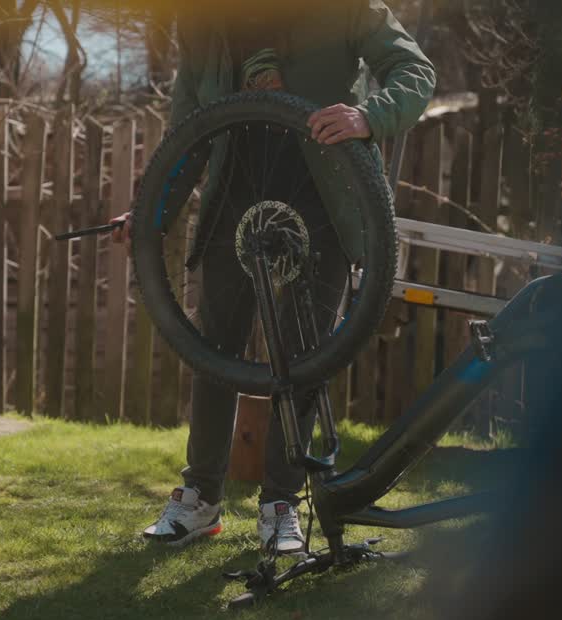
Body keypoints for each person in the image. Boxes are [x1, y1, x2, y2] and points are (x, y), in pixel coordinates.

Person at [114, 1, 435, 553]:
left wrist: (369, 116)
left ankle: (280, 505)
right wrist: (149, 212)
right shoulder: (201, 19)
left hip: (322, 202)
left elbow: (416, 72)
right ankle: (199, 500)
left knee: (301, 359)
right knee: (214, 352)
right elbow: (186, 133)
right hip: (231, 207)